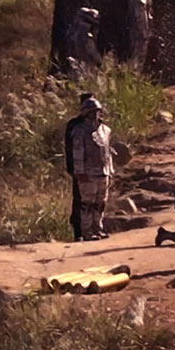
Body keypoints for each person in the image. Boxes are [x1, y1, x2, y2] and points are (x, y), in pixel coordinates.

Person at [65, 94, 114, 242]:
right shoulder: (79, 130)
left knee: (100, 203)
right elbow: (77, 152)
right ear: (85, 112)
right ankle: (86, 231)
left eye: (97, 110)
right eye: (92, 111)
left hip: (102, 171)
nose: (95, 114)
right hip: (87, 173)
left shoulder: (105, 130)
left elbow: (107, 152)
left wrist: (110, 171)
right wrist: (79, 172)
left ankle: (97, 228)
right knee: (87, 204)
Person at [63, 5, 102, 73]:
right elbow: (95, 57)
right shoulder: (86, 37)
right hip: (85, 69)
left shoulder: (70, 33)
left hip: (72, 66)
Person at [125, 0, 153, 67]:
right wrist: (145, 33)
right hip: (139, 34)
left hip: (136, 32)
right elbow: (141, 17)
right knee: (138, 57)